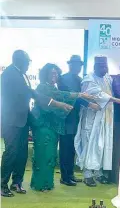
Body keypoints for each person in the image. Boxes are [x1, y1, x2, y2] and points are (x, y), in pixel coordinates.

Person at [1, 50, 73, 197]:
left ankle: (17, 182)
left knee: (22, 153)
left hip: (23, 120)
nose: (28, 65)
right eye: (27, 62)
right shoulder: (9, 74)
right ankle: (2, 185)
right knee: (11, 152)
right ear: (19, 60)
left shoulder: (21, 74)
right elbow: (31, 93)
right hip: (11, 121)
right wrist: (57, 103)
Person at [74, 56, 120, 187]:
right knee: (90, 143)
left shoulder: (107, 78)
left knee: (102, 144)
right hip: (92, 118)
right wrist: (119, 101)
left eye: (105, 67)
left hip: (105, 118)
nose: (104, 69)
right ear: (95, 67)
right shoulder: (88, 79)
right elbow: (99, 95)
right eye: (101, 67)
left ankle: (98, 173)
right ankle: (87, 174)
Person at [30, 63, 97, 192]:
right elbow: (60, 96)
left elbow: (62, 94)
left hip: (53, 127)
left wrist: (79, 96)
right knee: (43, 155)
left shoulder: (53, 87)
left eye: (56, 73)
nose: (54, 75)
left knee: (50, 156)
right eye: (51, 73)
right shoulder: (42, 87)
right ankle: (40, 184)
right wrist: (79, 95)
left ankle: (47, 183)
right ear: (45, 74)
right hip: (43, 126)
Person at [58, 55, 88, 186]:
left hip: (75, 118)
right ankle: (64, 177)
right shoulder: (63, 78)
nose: (77, 67)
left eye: (79, 65)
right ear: (70, 65)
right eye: (74, 64)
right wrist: (89, 103)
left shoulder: (80, 79)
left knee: (72, 147)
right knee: (65, 147)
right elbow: (72, 95)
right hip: (65, 117)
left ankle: (70, 174)